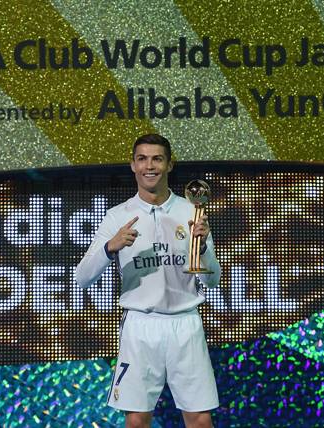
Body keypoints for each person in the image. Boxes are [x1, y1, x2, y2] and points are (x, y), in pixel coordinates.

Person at [75, 133, 221, 428]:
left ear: (169, 165)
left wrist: (202, 247)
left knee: (200, 420)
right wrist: (109, 248)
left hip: (185, 323)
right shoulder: (118, 216)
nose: (149, 166)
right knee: (138, 420)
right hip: (140, 325)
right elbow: (81, 278)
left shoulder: (192, 212)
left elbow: (214, 280)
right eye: (142, 159)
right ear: (133, 165)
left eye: (157, 159)